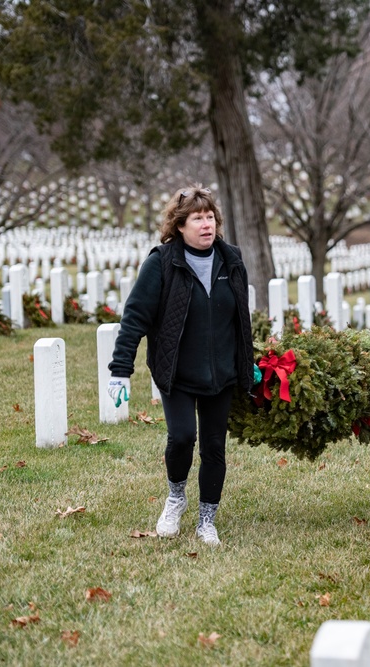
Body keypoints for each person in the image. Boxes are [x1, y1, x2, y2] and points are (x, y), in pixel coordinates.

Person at [107, 185, 255, 545]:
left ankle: (208, 518)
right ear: (179, 225)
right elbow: (135, 317)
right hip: (176, 372)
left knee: (214, 447)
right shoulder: (162, 262)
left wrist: (246, 361)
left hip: (221, 373)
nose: (206, 225)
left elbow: (241, 317)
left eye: (210, 218)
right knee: (182, 436)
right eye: (197, 219)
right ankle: (176, 497)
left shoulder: (231, 259)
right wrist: (120, 370)